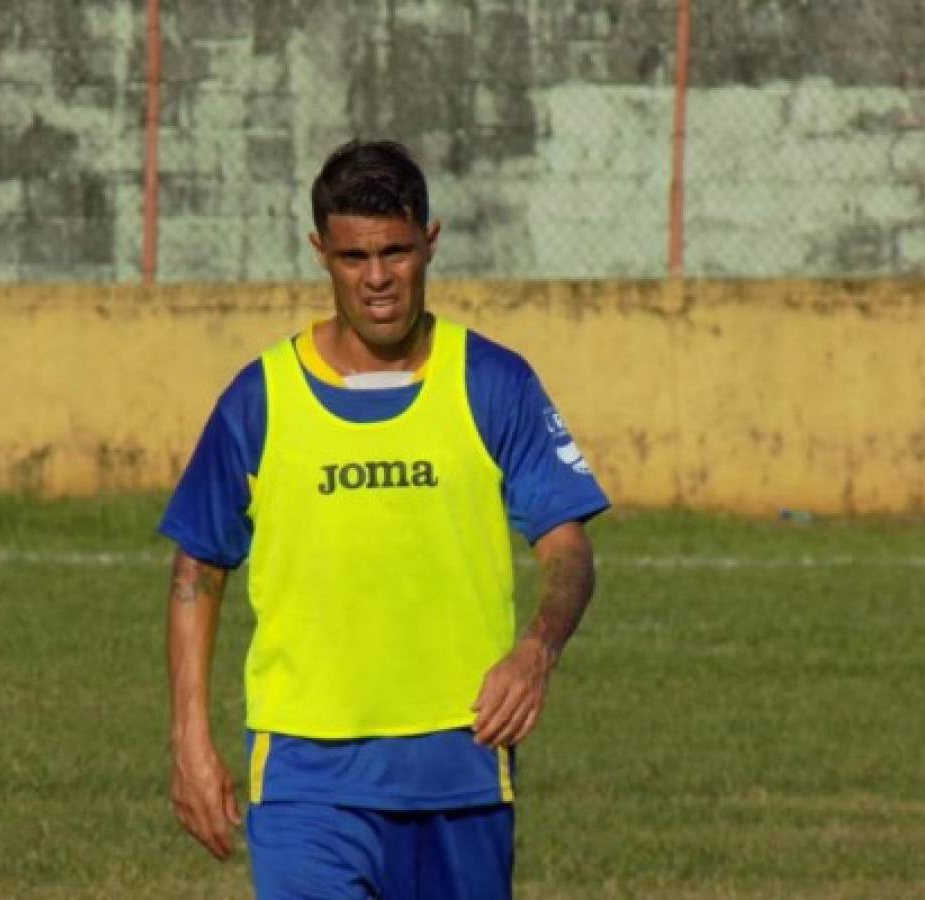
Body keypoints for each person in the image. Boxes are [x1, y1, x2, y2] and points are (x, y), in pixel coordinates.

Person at [160, 139, 608, 899]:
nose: (376, 279)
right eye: (352, 257)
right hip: (306, 776)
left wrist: (535, 651)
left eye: (396, 252)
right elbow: (196, 567)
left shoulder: (492, 381)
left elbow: (567, 547)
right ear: (320, 253)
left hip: (458, 767)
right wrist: (189, 738)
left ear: (429, 241)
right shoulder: (261, 397)